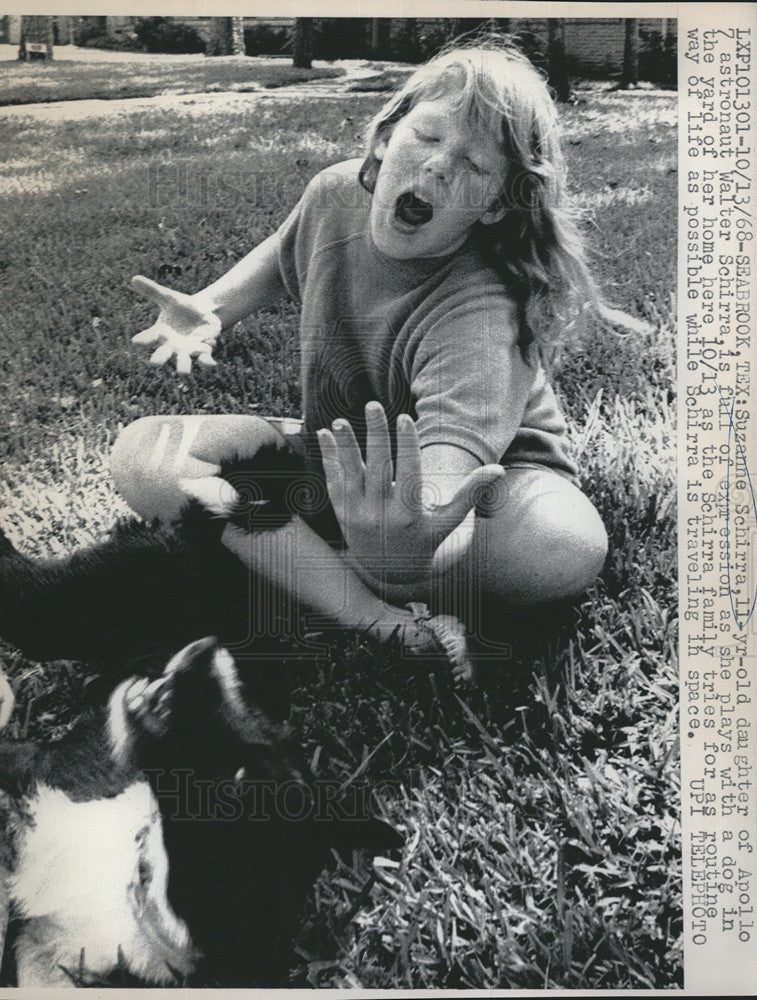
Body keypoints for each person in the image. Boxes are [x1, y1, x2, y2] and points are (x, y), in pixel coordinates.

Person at [111, 44, 627, 683]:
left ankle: (287, 562)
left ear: (495, 205)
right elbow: (283, 254)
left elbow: (450, 470)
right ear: (385, 139)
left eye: (472, 164)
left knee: (566, 544)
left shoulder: (483, 314)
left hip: (480, 490)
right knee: (142, 451)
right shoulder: (334, 194)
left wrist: (406, 539)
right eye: (427, 135)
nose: (437, 165)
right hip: (343, 457)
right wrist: (214, 305)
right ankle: (364, 608)